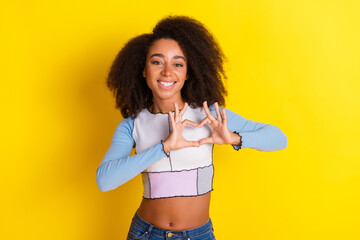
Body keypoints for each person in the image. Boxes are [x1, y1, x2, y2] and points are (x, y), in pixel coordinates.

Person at [96, 16, 287, 240]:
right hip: (146, 233)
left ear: (188, 73)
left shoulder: (209, 116)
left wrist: (234, 138)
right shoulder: (132, 125)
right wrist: (164, 147)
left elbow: (279, 138)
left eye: (178, 64)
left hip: (198, 235)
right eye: (157, 62)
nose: (168, 72)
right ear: (143, 70)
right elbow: (105, 181)